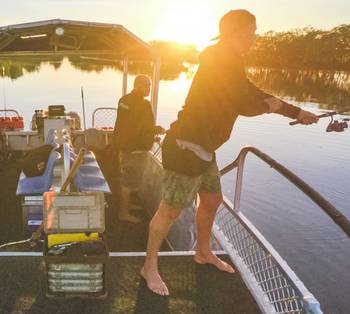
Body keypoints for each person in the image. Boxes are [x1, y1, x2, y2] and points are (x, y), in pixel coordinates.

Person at [140, 9, 320, 296]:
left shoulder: (229, 60)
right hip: (186, 146)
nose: (254, 37)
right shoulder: (218, 59)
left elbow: (250, 91)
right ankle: (149, 267)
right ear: (236, 32)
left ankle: (202, 251)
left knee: (211, 199)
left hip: (205, 148)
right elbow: (244, 103)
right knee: (170, 210)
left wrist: (296, 111)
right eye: (252, 32)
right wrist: (271, 106)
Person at [113, 75, 165, 223]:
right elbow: (143, 128)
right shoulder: (143, 105)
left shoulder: (124, 100)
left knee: (127, 177)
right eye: (146, 85)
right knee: (128, 181)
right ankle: (123, 213)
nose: (149, 88)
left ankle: (127, 205)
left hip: (124, 147)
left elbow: (129, 125)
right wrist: (158, 130)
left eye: (149, 85)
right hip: (134, 149)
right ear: (137, 86)